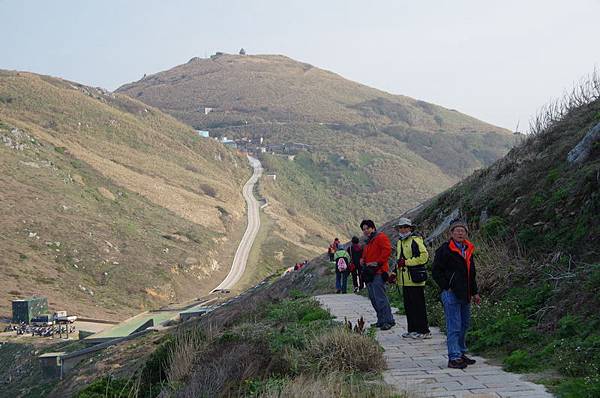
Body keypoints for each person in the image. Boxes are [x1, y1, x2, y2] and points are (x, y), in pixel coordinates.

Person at [432, 221, 481, 369]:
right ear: (451, 233)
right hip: (451, 294)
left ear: (466, 234)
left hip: (465, 293)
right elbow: (436, 271)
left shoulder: (468, 250)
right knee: (454, 326)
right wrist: (446, 287)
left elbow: (470, 274)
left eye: (463, 231)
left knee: (464, 324)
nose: (460, 233)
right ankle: (453, 357)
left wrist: (475, 292)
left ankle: (460, 352)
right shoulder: (445, 250)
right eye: (457, 230)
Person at [392, 218, 431, 339]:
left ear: (410, 228)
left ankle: (424, 331)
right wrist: (394, 274)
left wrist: (407, 262)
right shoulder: (400, 242)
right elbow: (399, 260)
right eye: (401, 227)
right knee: (409, 306)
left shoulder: (416, 240)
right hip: (405, 280)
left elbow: (424, 257)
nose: (403, 229)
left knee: (418, 305)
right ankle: (412, 330)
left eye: (405, 227)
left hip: (415, 279)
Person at [360, 219, 395, 330]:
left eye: (367, 228)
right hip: (370, 273)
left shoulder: (380, 237)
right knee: (373, 298)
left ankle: (388, 320)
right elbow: (366, 255)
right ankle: (381, 320)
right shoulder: (368, 242)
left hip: (379, 272)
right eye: (364, 229)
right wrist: (363, 260)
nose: (366, 231)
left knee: (380, 298)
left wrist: (377, 262)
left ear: (373, 228)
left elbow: (387, 250)